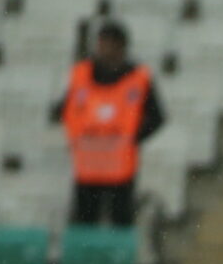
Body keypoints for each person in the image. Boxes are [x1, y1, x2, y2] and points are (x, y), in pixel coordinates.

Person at [51, 19, 163, 228]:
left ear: (122, 46)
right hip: (88, 165)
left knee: (120, 222)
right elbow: (65, 109)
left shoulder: (139, 78)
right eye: (101, 42)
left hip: (120, 167)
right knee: (84, 223)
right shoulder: (81, 74)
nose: (103, 48)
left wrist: (133, 139)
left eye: (109, 43)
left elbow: (157, 118)